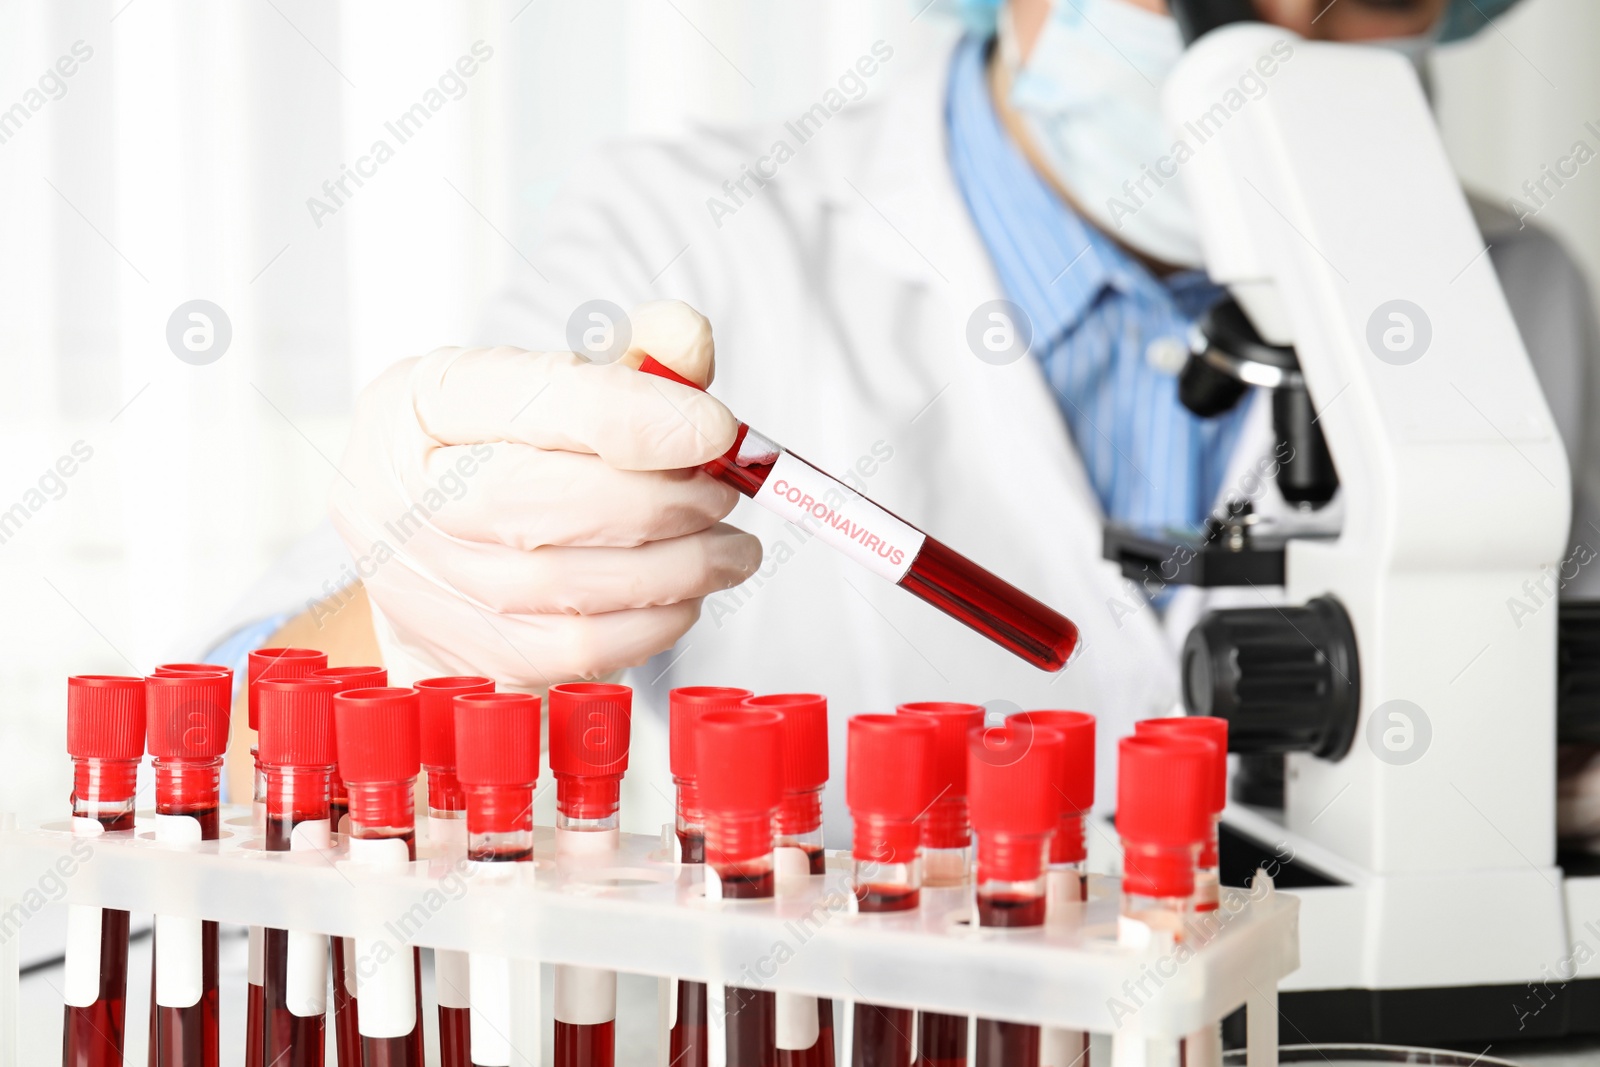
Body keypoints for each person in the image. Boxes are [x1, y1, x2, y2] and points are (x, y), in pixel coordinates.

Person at [244, 0, 1595, 816]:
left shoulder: (1512, 292)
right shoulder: (685, 236)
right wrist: (420, 618)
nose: (1285, 15)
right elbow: (209, 758)